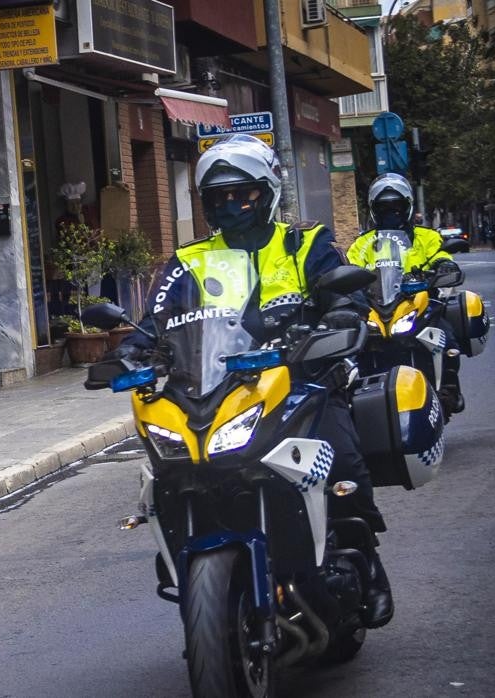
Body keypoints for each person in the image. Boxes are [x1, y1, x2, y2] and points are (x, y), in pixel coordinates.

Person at [111, 134, 394, 628]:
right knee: (171, 470)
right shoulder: (189, 260)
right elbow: (157, 318)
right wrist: (134, 347)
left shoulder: (305, 242)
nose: (230, 204)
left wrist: (343, 315)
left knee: (342, 456)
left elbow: (345, 293)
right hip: (218, 388)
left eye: (241, 193)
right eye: (218, 197)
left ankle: (365, 558)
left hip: (303, 379)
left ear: (266, 193)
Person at [346, 172, 464, 415]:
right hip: (378, 306)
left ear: (408, 207)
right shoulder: (363, 243)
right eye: (384, 207)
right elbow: (351, 267)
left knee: (447, 337)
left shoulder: (426, 237)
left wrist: (444, 265)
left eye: (397, 206)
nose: (391, 212)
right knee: (351, 346)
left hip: (419, 301)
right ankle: (355, 400)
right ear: (373, 209)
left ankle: (449, 388)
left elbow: (440, 254)